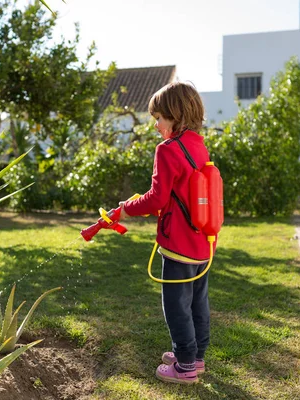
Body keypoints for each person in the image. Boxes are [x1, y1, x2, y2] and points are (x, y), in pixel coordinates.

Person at [120, 81, 215, 385]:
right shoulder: (199, 146)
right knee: (198, 303)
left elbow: (158, 199)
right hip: (203, 243)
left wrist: (127, 208)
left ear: (176, 115)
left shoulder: (168, 150)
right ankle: (195, 357)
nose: (157, 125)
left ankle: (184, 365)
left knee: (176, 305)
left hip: (178, 245)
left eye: (159, 117)